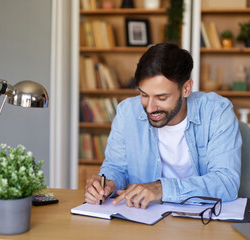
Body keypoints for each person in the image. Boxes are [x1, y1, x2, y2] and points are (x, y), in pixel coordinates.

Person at [85, 42, 241, 209]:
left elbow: (226, 183)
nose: (150, 108)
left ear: (186, 89)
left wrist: (161, 189)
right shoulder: (126, 112)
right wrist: (107, 183)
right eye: (144, 95)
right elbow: (116, 167)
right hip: (143, 218)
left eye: (161, 98)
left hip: (200, 219)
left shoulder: (217, 112)